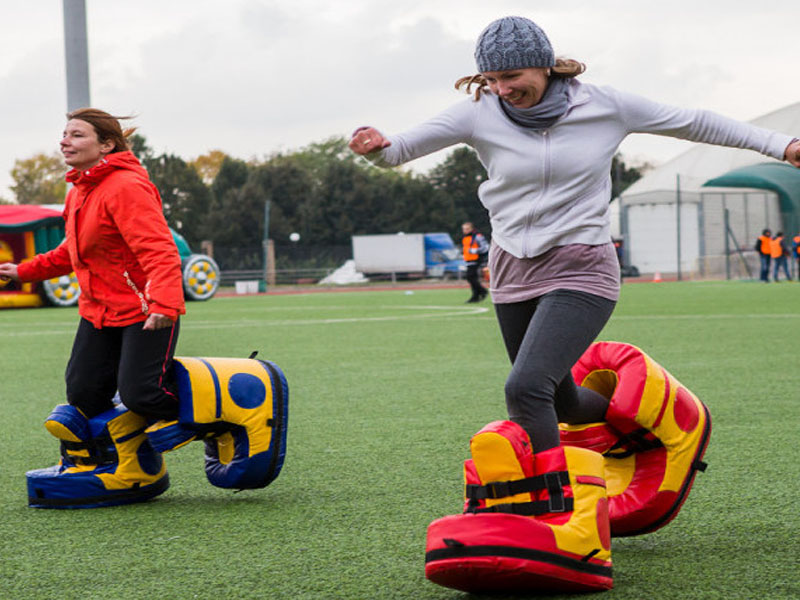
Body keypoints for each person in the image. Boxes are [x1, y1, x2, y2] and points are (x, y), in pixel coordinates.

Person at [350, 15, 800, 460]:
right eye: (491, 79)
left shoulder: (606, 106)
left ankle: (553, 498)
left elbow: (696, 122)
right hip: (512, 269)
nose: (502, 89)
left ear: (544, 65)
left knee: (525, 387)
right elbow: (399, 150)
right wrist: (376, 148)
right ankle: (646, 434)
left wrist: (782, 146)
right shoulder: (478, 112)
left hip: (581, 265)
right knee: (560, 400)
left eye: (511, 76)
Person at [0, 108, 185, 507]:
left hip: (143, 311)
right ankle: (123, 465)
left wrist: (165, 303)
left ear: (107, 144)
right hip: (97, 312)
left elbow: (159, 250)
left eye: (77, 135)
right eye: (64, 134)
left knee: (143, 394)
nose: (64, 141)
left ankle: (223, 415)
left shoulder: (126, 186)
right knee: (84, 393)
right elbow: (72, 251)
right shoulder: (80, 190)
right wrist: (23, 271)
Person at [461, 221, 489, 302]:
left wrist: (474, 251)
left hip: (476, 260)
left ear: (472, 229)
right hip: (468, 260)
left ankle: (482, 291)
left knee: (470, 277)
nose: (465, 231)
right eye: (464, 229)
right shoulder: (465, 238)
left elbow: (485, 247)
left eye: (467, 229)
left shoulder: (477, 237)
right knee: (471, 278)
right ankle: (476, 295)